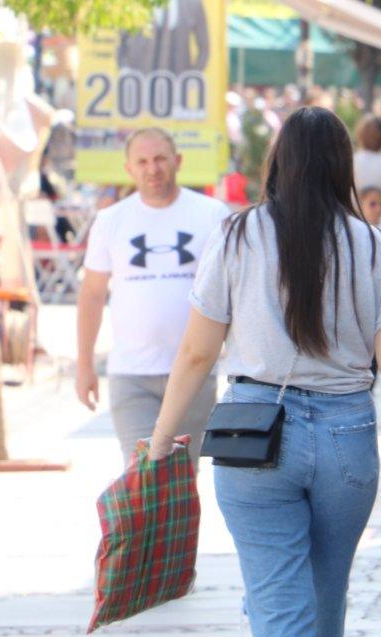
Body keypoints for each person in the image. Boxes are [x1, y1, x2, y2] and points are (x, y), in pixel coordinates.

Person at [145, 107, 381, 637]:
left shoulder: (239, 235)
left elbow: (196, 352)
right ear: (342, 166)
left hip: (254, 437)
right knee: (325, 591)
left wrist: (158, 442)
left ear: (280, 162)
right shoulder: (372, 247)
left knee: (278, 600)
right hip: (345, 435)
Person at [76, 127, 230, 466]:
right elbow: (91, 295)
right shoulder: (111, 220)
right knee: (140, 477)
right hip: (131, 374)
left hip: (193, 372)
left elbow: (230, 293)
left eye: (160, 158)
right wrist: (84, 365)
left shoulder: (212, 214)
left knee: (181, 480)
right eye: (142, 161)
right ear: (129, 168)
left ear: (178, 161)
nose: (153, 168)